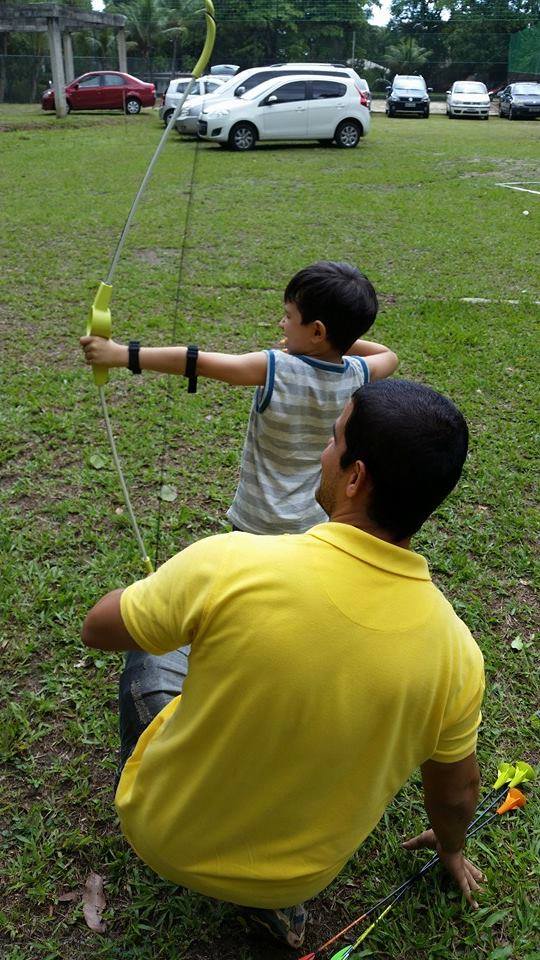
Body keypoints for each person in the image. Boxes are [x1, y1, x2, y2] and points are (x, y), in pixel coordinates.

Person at [82, 379, 485, 950]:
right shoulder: (458, 657)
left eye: (334, 438)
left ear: (355, 476)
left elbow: (98, 628)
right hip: (296, 878)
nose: (324, 449)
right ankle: (275, 906)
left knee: (150, 648)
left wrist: (161, 591)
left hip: (163, 836)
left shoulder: (231, 561)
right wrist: (451, 846)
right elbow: (456, 793)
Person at [80, 261, 398, 534]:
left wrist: (120, 354)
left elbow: (197, 362)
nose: (281, 323)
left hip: (256, 522)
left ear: (317, 331)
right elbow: (389, 355)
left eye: (288, 316)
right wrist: (338, 343)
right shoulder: (359, 372)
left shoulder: (276, 366)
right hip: (312, 522)